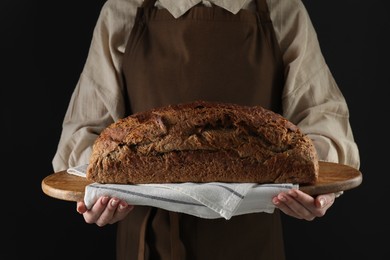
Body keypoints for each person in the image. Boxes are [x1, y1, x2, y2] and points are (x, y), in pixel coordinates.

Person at [52, 0, 360, 259]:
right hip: (148, 243)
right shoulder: (124, 9)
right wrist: (96, 194)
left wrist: (317, 185)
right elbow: (83, 132)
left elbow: (324, 118)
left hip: (249, 243)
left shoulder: (282, 9)